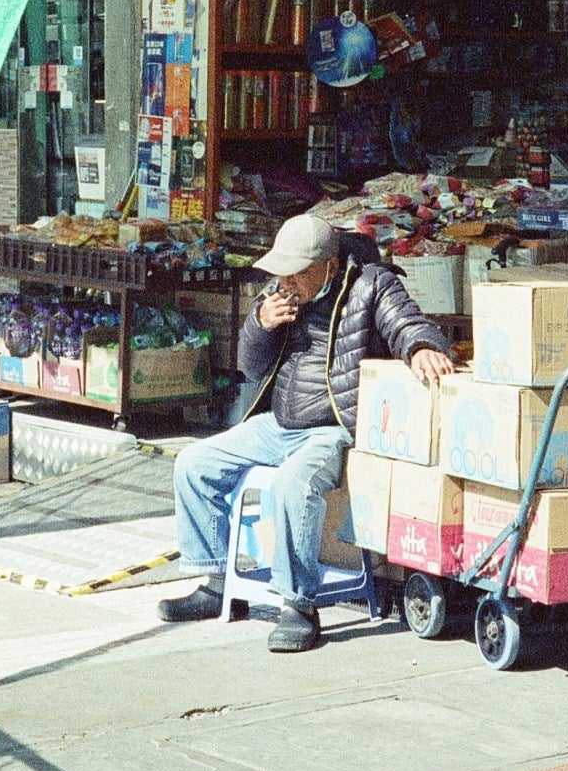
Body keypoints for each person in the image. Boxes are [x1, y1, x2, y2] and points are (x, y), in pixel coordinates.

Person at [160, 213, 453, 652]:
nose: (288, 281)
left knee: (293, 483)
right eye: (283, 270)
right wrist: (261, 323)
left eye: (299, 271)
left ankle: (298, 605)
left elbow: (408, 323)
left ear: (330, 266)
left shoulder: (372, 284)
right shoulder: (281, 293)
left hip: (332, 428)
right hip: (279, 422)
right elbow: (252, 367)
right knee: (193, 464)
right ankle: (217, 580)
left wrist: (422, 347)